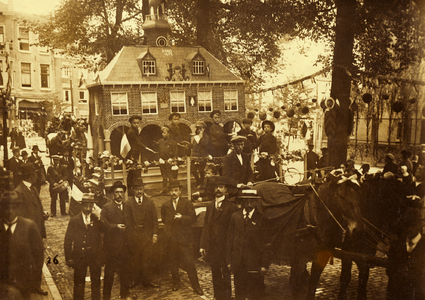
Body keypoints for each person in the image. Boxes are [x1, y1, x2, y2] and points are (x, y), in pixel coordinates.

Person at [161, 179, 204, 295]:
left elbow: (193, 219)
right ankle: (176, 282)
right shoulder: (165, 205)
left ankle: (196, 286)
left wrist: (182, 217)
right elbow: (165, 220)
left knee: (189, 263)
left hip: (184, 240)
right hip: (172, 240)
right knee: (173, 263)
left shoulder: (187, 203)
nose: (173, 193)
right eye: (171, 191)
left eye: (176, 190)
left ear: (180, 191)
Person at [0, 190, 45, 299]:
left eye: (13, 208)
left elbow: (38, 255)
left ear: (19, 208)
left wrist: (33, 279)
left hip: (23, 284)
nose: (10, 211)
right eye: (7, 208)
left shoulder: (29, 227)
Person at [227, 190, 270, 300]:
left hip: (254, 264)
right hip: (238, 263)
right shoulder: (235, 217)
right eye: (246, 201)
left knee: (255, 294)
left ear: (256, 202)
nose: (249, 204)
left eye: (252, 201)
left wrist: (265, 264)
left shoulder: (262, 218)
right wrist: (229, 261)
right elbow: (230, 240)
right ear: (242, 202)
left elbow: (266, 243)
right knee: (239, 293)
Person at [200, 176, 238, 300]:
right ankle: (218, 297)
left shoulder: (231, 207)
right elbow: (206, 226)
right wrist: (203, 245)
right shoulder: (210, 206)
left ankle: (227, 297)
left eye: (221, 187)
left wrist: (231, 249)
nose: (218, 189)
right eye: (216, 187)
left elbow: (233, 231)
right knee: (215, 273)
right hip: (213, 247)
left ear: (225, 190)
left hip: (225, 247)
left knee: (226, 273)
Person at [64, 193, 103, 300]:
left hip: (94, 255)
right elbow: (68, 240)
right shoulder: (75, 220)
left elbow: (102, 236)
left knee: (96, 281)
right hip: (79, 256)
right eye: (86, 206)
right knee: (79, 282)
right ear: (82, 206)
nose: (88, 208)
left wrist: (101, 255)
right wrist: (69, 258)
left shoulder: (96, 220)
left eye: (91, 206)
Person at [100, 181, 135, 300]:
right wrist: (115, 226)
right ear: (113, 194)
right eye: (117, 192)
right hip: (112, 248)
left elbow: (131, 224)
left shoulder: (128, 206)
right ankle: (106, 297)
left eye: (121, 192)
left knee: (125, 272)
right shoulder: (107, 207)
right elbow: (103, 226)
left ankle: (124, 295)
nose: (119, 194)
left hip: (125, 247)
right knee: (109, 274)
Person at [126, 177, 159, 288]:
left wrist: (155, 234)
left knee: (147, 258)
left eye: (141, 189)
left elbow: (155, 220)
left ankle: (147, 280)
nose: (139, 191)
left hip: (147, 235)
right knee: (135, 258)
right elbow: (127, 221)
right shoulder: (128, 203)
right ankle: (135, 280)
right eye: (137, 189)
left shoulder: (150, 202)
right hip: (134, 235)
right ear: (132, 189)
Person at [386, 208, 425, 300]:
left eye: (412, 226)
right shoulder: (396, 245)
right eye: (407, 226)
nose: (409, 229)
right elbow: (389, 269)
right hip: (397, 294)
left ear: (419, 226)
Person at [14, 163, 47, 239]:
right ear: (30, 176)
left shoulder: (34, 188)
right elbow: (20, 216)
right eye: (35, 174)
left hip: (37, 229)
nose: (36, 176)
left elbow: (36, 205)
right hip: (28, 232)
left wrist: (42, 214)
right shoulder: (19, 192)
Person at [155, 125, 179, 195]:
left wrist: (171, 159)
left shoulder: (173, 142)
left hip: (170, 162)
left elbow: (176, 153)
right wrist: (159, 158)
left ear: (169, 133)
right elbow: (157, 151)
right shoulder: (160, 141)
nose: (163, 134)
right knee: (164, 176)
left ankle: (171, 189)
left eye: (164, 133)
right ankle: (164, 188)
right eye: (162, 133)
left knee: (170, 176)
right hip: (162, 162)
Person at [190, 121, 211, 188]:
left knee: (201, 170)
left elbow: (204, 144)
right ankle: (199, 181)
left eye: (201, 128)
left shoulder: (206, 137)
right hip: (195, 156)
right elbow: (193, 145)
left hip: (202, 156)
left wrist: (201, 137)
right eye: (198, 128)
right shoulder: (195, 136)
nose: (199, 130)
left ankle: (202, 183)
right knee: (193, 170)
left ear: (204, 129)